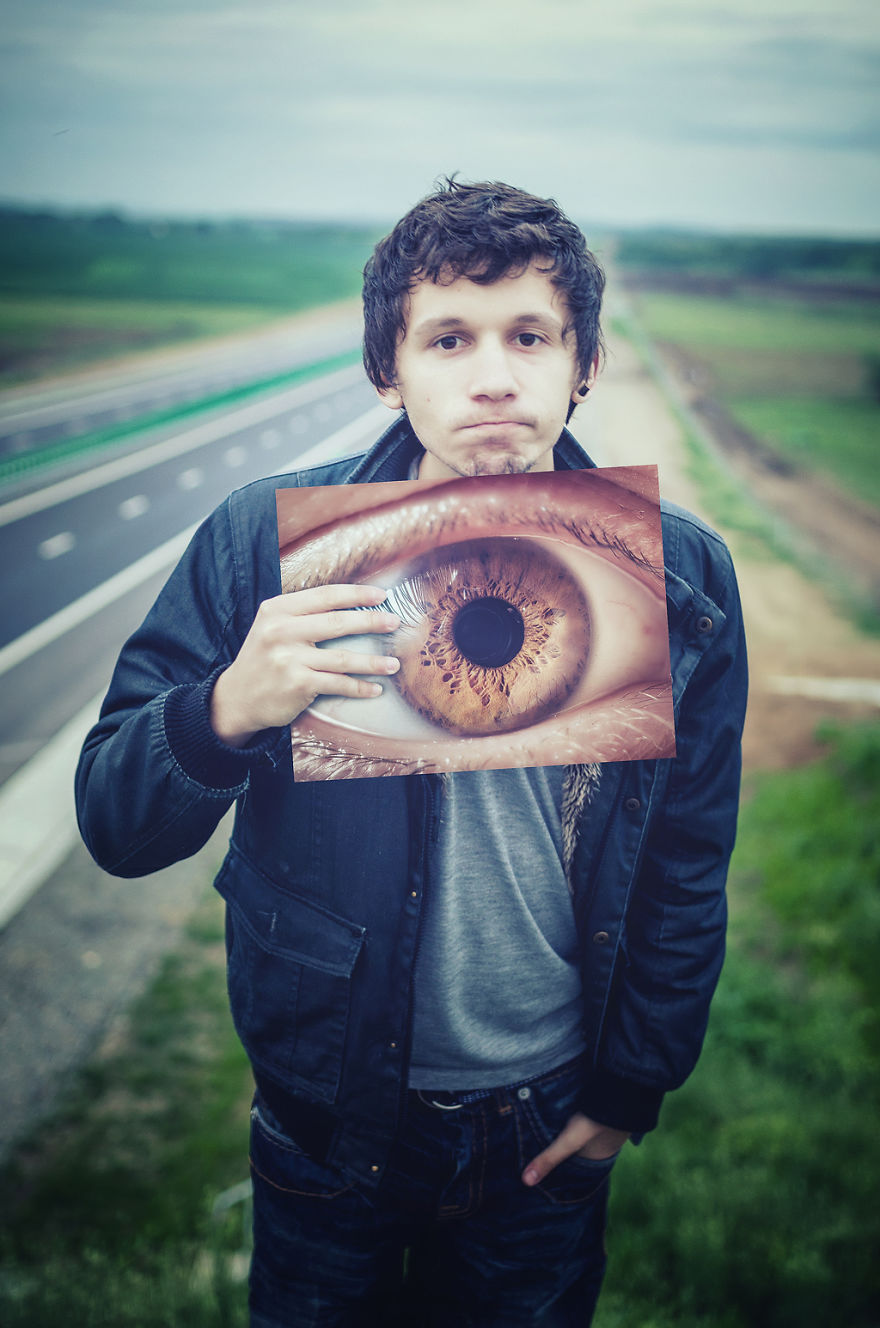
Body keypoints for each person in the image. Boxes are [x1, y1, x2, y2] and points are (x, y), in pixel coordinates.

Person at [75, 179, 748, 1327]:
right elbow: (113, 817)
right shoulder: (265, 540)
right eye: (448, 338)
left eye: (529, 335)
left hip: (546, 1111)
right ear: (388, 369)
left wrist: (632, 1086)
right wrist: (228, 706)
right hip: (329, 1112)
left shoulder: (678, 575)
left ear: (583, 361)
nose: (492, 374)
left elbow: (687, 856)